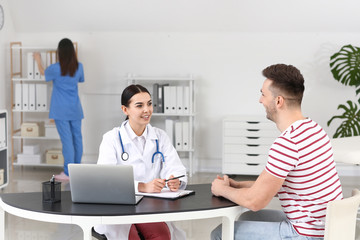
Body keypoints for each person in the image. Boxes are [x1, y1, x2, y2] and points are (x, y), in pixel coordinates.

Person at [211, 64, 343, 240]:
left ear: (278, 101)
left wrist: (221, 190)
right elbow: (273, 185)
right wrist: (238, 186)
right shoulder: (314, 129)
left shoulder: (288, 143)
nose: (260, 100)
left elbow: (255, 201)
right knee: (248, 217)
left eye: (264, 94)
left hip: (306, 234)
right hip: (324, 228)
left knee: (221, 233)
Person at [94, 84, 188, 240]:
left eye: (149, 104)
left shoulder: (160, 136)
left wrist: (174, 180)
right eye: (140, 105)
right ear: (125, 110)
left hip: (149, 205)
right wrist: (142, 186)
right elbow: (105, 181)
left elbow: (175, 167)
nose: (147, 110)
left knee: (162, 236)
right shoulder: (111, 139)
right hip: (120, 207)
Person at [33, 38, 84, 181]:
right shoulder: (79, 67)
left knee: (67, 141)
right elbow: (80, 80)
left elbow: (43, 72)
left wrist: (38, 59)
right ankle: (77, 169)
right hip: (75, 109)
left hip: (61, 109)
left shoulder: (56, 68)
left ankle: (68, 173)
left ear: (59, 52)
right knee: (77, 139)